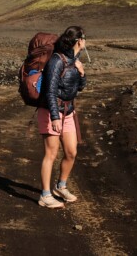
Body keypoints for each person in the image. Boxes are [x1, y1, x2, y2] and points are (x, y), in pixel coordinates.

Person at [37, 26, 87, 209]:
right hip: (52, 112)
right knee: (51, 153)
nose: (86, 41)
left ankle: (61, 187)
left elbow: (79, 87)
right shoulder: (56, 61)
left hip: (68, 112)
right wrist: (55, 117)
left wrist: (81, 73)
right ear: (79, 41)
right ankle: (45, 195)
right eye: (84, 38)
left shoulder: (75, 61)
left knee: (71, 152)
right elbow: (49, 91)